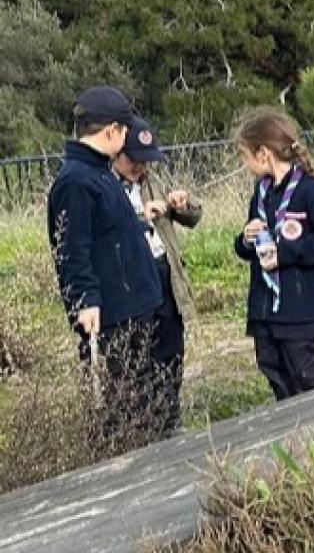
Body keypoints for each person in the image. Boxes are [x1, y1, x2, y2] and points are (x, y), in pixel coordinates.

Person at [47, 86, 162, 438]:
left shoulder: (101, 173)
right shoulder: (75, 181)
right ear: (112, 130)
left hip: (136, 305)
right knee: (119, 402)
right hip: (112, 315)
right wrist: (84, 300)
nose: (126, 137)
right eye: (125, 130)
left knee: (143, 395)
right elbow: (71, 248)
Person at [232, 108, 314, 401]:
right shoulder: (261, 193)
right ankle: (291, 438)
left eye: (244, 157)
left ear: (263, 154)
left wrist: (287, 253)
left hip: (302, 308)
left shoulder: (312, 192)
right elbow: (249, 247)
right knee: (273, 369)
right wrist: (245, 240)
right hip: (265, 309)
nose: (244, 165)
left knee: (307, 376)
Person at [112, 118, 202, 434]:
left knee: (171, 348)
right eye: (132, 158)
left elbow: (192, 217)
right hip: (134, 280)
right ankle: (143, 423)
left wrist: (182, 203)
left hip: (165, 275)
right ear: (115, 152)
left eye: (144, 159)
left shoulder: (153, 181)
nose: (139, 166)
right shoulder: (105, 187)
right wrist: (140, 217)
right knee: (139, 355)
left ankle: (170, 418)